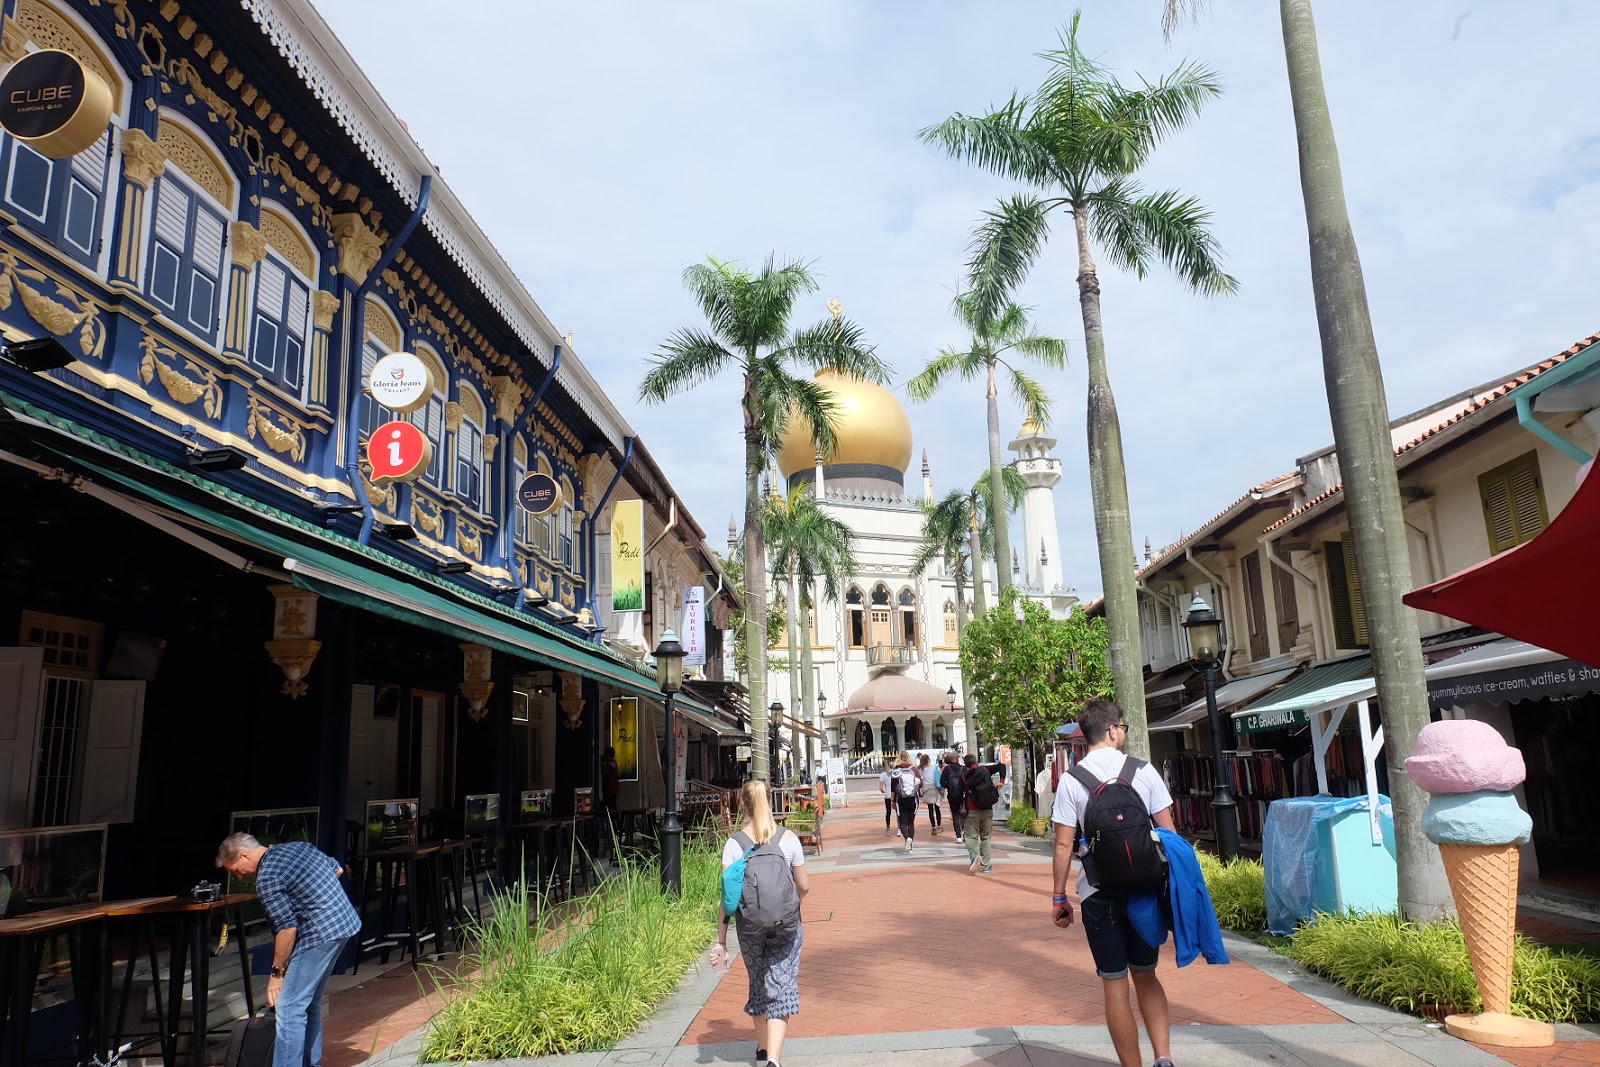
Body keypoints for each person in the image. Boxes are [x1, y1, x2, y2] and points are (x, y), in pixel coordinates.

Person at [1050, 700, 1178, 1067]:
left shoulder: (1072, 780)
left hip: (1097, 892)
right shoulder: (1143, 771)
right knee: (1147, 975)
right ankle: (1164, 1058)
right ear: (1112, 731)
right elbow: (1169, 833)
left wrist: (1059, 897)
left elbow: (1062, 845)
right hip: (1144, 889)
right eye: (1124, 726)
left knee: (1115, 983)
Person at [217, 833, 361, 1067]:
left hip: (318, 934)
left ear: (244, 855)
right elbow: (337, 870)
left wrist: (276, 974)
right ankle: (308, 1063)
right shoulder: (298, 847)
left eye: (235, 870)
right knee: (310, 1002)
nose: (239, 876)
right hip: (343, 923)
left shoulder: (267, 877)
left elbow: (287, 929)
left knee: (289, 1006)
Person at [710, 781, 809, 1067]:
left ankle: (764, 1047)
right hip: (787, 927)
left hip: (750, 929)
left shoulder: (734, 844)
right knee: (782, 984)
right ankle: (774, 1058)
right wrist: (792, 904)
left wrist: (720, 941)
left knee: (758, 983)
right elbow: (804, 885)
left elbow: (728, 899)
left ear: (742, 804)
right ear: (770, 800)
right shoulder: (788, 838)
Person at [960, 752, 1006, 873]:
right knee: (986, 837)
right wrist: (1001, 781)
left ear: (966, 764)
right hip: (987, 808)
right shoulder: (985, 770)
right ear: (976, 761)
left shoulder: (965, 776)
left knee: (970, 836)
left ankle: (975, 857)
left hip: (972, 810)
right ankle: (986, 866)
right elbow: (1002, 765)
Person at [889, 750, 922, 853]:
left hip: (900, 799)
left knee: (902, 822)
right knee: (911, 822)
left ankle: (907, 838)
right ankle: (910, 846)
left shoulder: (896, 770)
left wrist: (893, 800)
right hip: (913, 799)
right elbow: (920, 784)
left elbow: (893, 787)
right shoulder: (915, 770)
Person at [941, 753, 967, 838]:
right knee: (963, 813)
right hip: (963, 794)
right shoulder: (964, 768)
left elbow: (942, 782)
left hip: (952, 794)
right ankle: (964, 831)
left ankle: (958, 835)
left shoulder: (947, 769)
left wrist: (949, 786)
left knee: (955, 814)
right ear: (958, 758)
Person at [918, 752, 944, 835]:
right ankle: (939, 826)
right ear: (929, 760)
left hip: (927, 790)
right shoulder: (935, 768)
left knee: (930, 810)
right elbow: (939, 778)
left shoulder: (921, 769)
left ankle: (933, 828)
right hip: (935, 789)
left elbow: (920, 780)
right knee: (937, 809)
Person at [879, 764, 894, 835]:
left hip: (887, 795)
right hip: (895, 794)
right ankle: (899, 829)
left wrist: (884, 791)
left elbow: (881, 788)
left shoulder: (882, 775)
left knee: (888, 812)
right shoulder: (893, 772)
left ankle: (888, 828)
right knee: (898, 812)